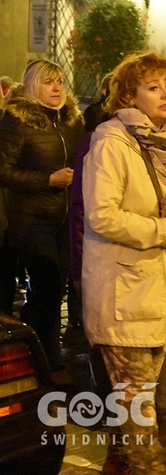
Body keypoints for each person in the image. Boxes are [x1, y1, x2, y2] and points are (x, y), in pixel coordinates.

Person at [81, 51, 166, 472]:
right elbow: (102, 215)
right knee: (138, 418)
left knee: (132, 410)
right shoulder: (111, 142)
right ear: (129, 95)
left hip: (162, 290)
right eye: (153, 87)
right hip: (122, 293)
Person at [0, 60, 84, 375]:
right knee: (47, 286)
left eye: (60, 81)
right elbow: (3, 170)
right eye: (49, 82)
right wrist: (47, 180)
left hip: (64, 219)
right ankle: (42, 355)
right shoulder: (16, 122)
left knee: (56, 288)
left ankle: (45, 353)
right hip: (30, 220)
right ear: (33, 85)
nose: (57, 88)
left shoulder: (71, 121)